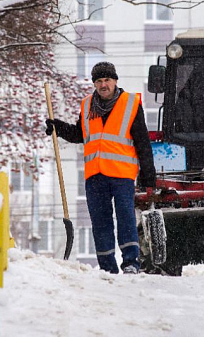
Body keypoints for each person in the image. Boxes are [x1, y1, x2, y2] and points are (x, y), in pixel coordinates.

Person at [45, 62, 156, 274]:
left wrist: (148, 176)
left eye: (107, 80)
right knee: (100, 222)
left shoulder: (131, 104)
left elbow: (143, 142)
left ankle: (131, 263)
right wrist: (57, 126)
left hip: (122, 174)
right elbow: (80, 134)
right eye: (98, 81)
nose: (103, 85)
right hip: (95, 175)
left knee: (126, 218)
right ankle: (107, 267)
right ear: (94, 84)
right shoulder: (87, 105)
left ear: (115, 81)